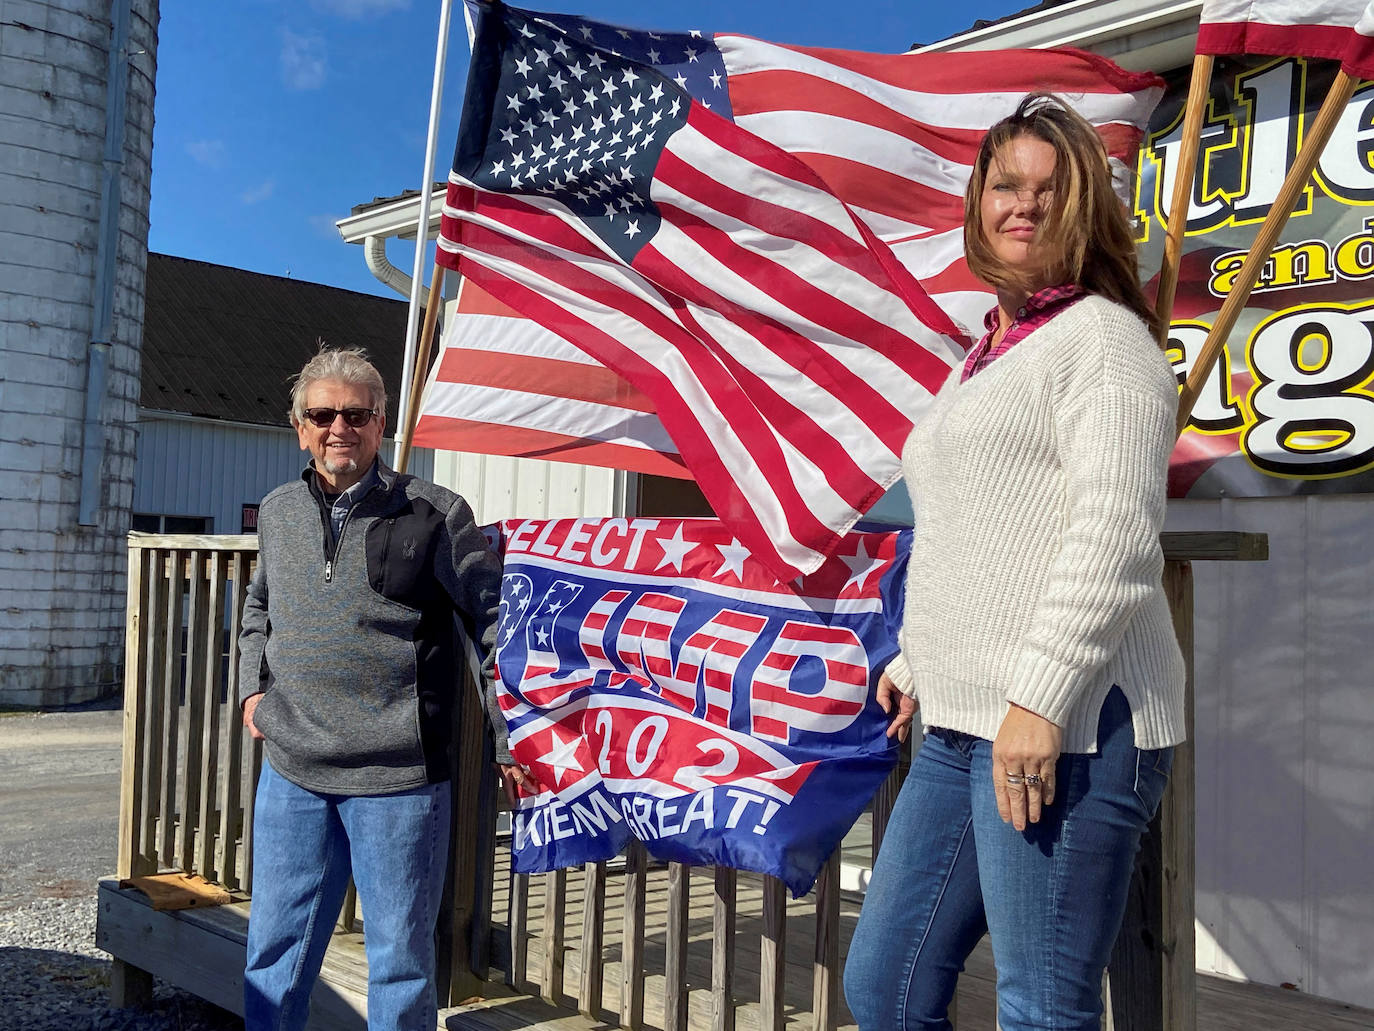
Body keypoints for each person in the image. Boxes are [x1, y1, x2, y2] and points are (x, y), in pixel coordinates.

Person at [843, 94, 1186, 1031]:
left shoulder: (1106, 343)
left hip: (1068, 722)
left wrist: (1038, 699)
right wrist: (922, 660)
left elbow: (1113, 536)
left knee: (1041, 1006)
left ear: (1084, 210)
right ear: (978, 203)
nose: (1023, 204)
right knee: (885, 986)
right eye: (1005, 185)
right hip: (961, 723)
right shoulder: (989, 352)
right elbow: (979, 528)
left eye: (1049, 187)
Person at [237, 347, 533, 1031]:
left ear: (381, 425)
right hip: (292, 775)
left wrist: (510, 735)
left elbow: (495, 627)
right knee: (272, 955)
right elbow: (258, 606)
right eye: (322, 414)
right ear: (299, 426)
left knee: (399, 965)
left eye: (357, 413)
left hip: (400, 782)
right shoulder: (278, 510)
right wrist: (253, 689)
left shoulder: (436, 513)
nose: (339, 426)